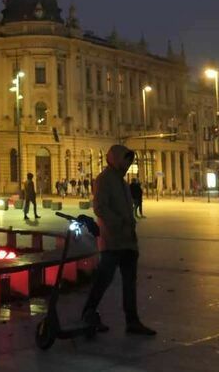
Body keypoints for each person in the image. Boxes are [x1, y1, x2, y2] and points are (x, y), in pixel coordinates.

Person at [81, 144, 156, 336]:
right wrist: (118, 224)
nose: (127, 164)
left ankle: (132, 320)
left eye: (129, 160)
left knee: (129, 281)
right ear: (115, 159)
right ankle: (88, 312)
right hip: (112, 240)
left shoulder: (123, 182)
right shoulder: (104, 180)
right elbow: (99, 207)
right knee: (104, 279)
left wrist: (130, 226)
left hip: (128, 240)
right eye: (125, 159)